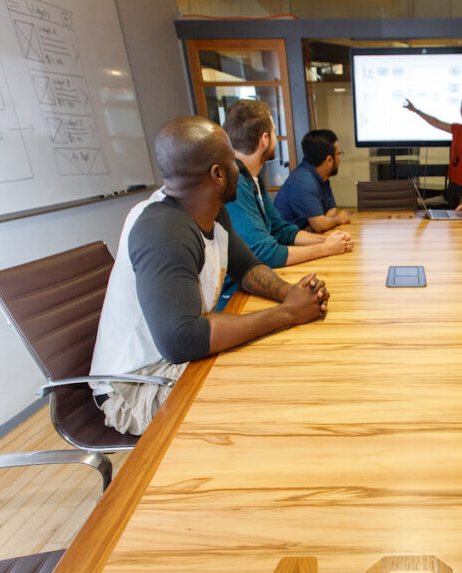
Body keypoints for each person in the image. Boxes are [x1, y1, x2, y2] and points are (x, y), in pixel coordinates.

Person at [90, 116, 331, 435]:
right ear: (218, 174)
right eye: (232, 160)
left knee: (282, 366)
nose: (239, 168)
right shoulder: (163, 231)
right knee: (270, 398)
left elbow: (246, 268)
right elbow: (182, 340)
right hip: (137, 385)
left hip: (174, 360)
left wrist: (292, 294)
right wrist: (287, 313)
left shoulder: (209, 209)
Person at [220, 100, 353, 308]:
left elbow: (284, 231)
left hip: (256, 282)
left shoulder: (251, 178)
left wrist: (326, 241)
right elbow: (267, 253)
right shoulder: (235, 183)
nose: (275, 138)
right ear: (265, 139)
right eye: (273, 132)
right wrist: (326, 248)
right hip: (235, 296)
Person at [404, 93, 462, 209]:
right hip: (454, 184)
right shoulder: (457, 129)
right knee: (452, 219)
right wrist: (415, 110)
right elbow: (436, 122)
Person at [274, 128, 351, 233]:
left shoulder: (321, 176)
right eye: (339, 154)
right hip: (289, 245)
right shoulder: (303, 181)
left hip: (307, 236)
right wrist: (338, 219)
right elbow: (319, 225)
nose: (340, 158)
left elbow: (332, 209)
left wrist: (323, 222)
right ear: (329, 160)